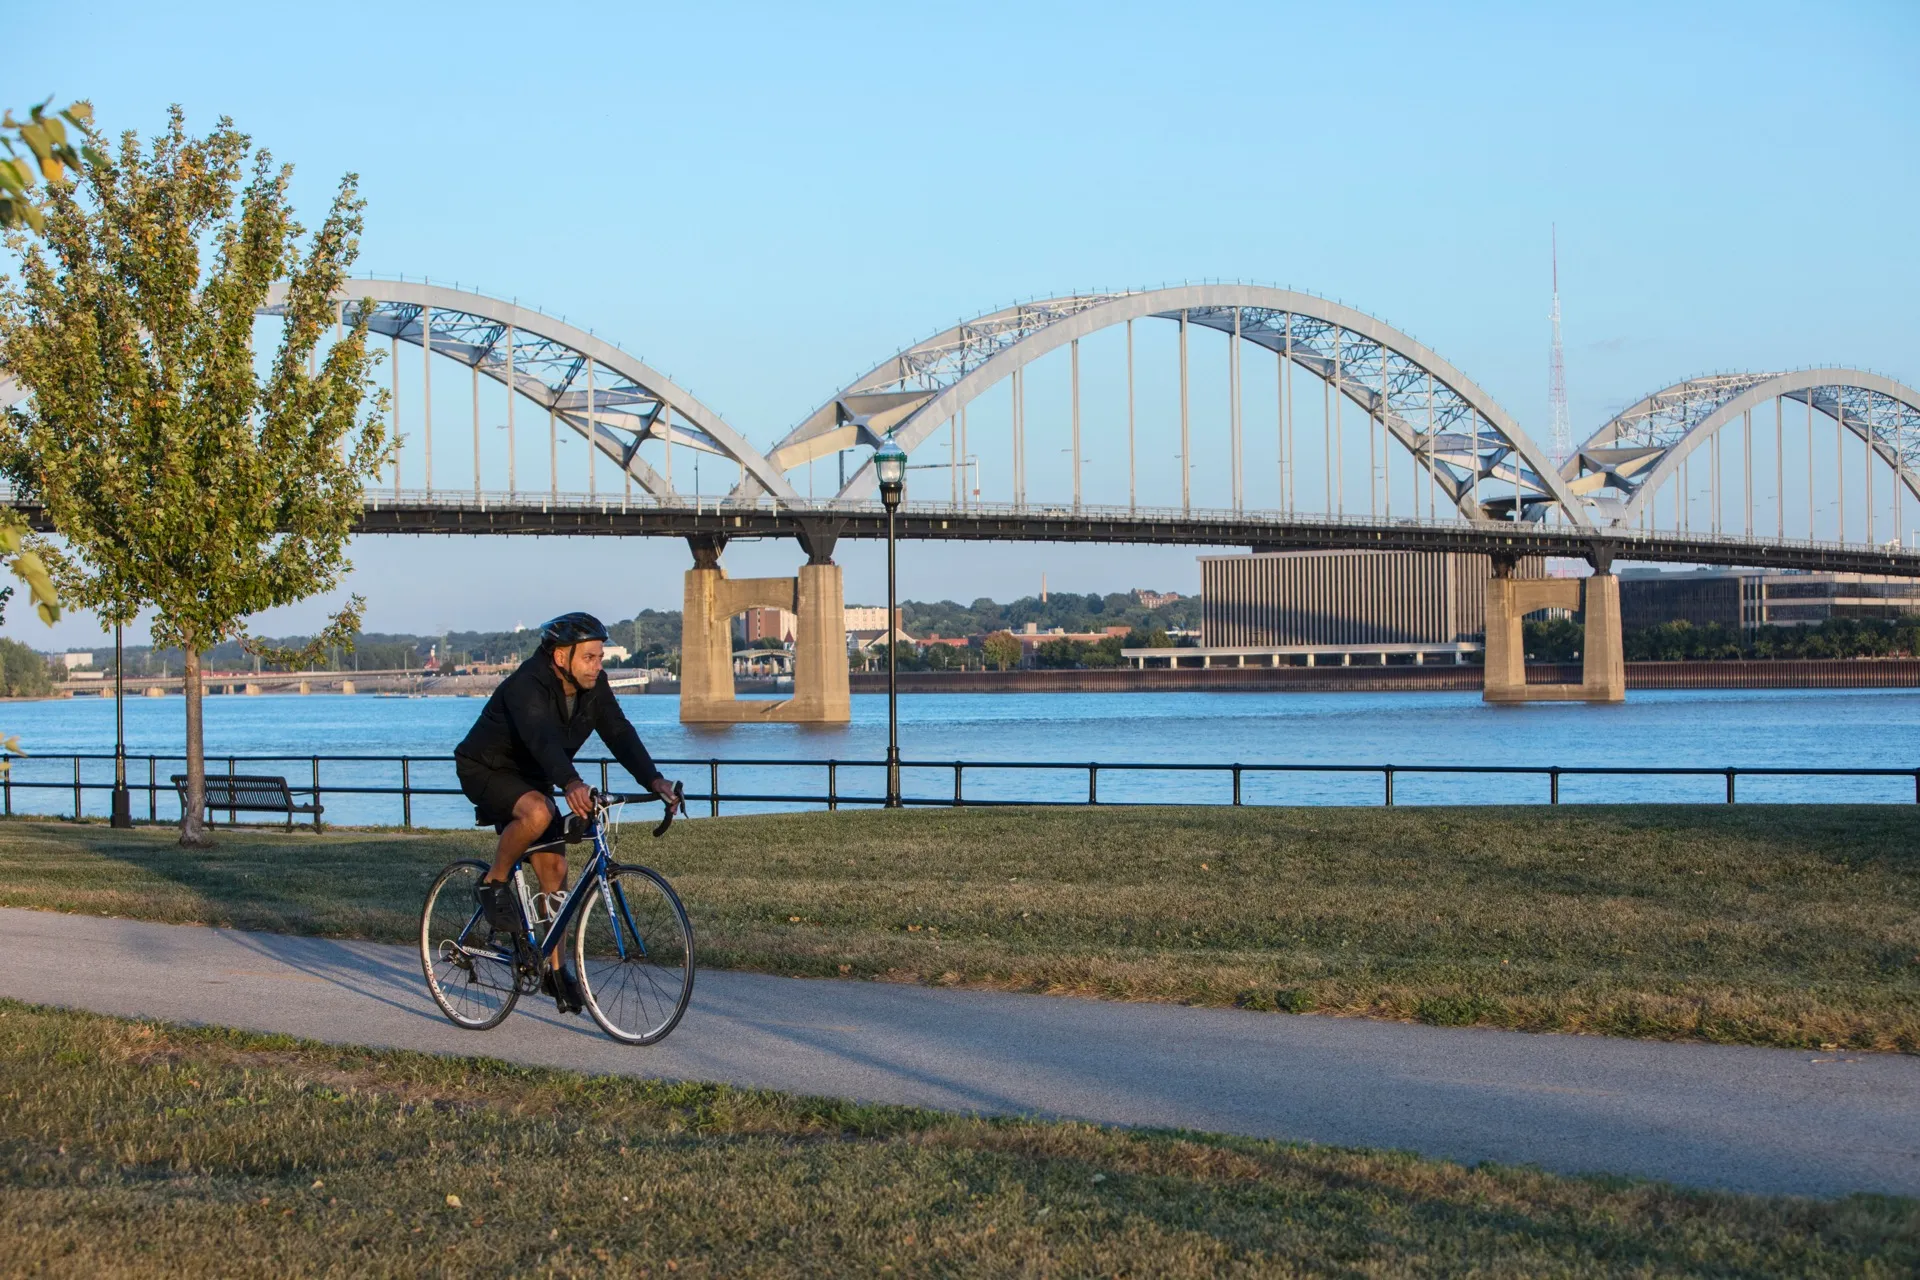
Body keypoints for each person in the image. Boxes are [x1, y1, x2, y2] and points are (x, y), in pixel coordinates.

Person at [454, 612, 681, 1013]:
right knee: (539, 814)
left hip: (535, 776)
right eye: (590, 657)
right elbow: (541, 738)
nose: (599, 665)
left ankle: (555, 970)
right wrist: (571, 782)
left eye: (600, 657)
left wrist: (654, 780)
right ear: (561, 657)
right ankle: (493, 882)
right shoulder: (528, 683)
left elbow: (619, 733)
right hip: (486, 768)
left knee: (555, 874)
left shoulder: (594, 687)